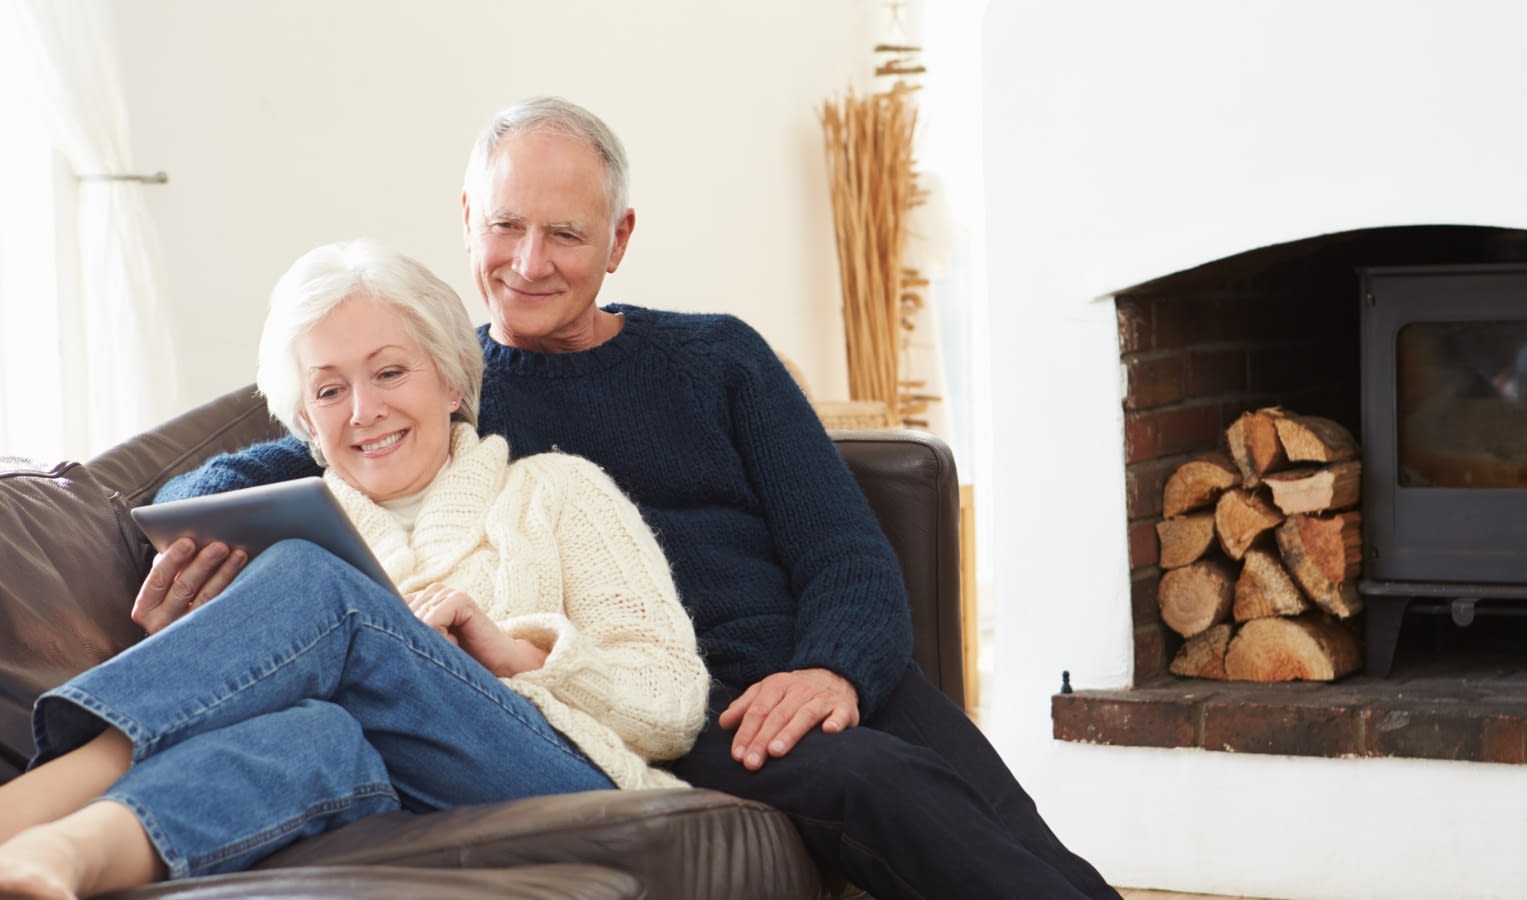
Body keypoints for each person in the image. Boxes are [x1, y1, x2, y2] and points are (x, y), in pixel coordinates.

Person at [135, 97, 1119, 900]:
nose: (528, 263)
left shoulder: (718, 358)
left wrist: (833, 671)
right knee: (883, 787)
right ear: (469, 221)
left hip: (807, 665)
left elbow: (843, 551)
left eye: (565, 233)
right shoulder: (438, 386)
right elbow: (273, 456)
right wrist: (195, 512)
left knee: (1009, 825)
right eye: (507, 227)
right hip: (673, 701)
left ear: (619, 238)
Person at [0, 239, 709, 899]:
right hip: (356, 781)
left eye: (390, 372)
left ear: (452, 381)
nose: (364, 411)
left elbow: (671, 702)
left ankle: (34, 797)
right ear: (306, 419)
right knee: (314, 731)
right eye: (330, 390)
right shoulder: (263, 536)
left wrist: (518, 655)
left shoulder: (559, 491)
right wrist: (179, 640)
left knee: (318, 582)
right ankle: (53, 856)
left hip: (547, 778)